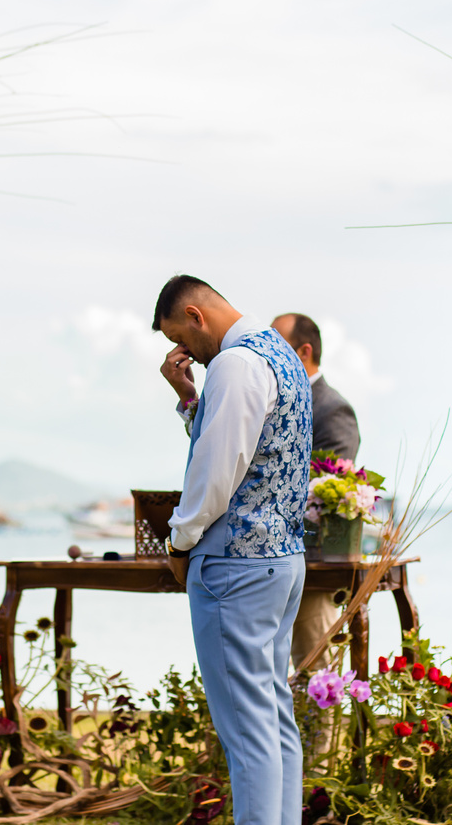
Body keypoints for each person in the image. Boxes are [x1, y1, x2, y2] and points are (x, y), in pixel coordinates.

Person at [154, 275, 312, 825]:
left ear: (196, 316)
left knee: (247, 731)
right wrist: (188, 400)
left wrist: (179, 542)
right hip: (282, 560)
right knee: (272, 718)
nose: (186, 353)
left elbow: (217, 469)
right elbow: (247, 447)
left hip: (236, 566)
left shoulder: (235, 362)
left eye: (181, 338)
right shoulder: (281, 355)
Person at [271, 313, 360, 672]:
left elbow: (330, 484)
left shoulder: (331, 408)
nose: (268, 358)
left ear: (304, 351)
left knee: (317, 674)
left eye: (278, 348)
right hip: (270, 560)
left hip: (312, 563)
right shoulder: (274, 402)